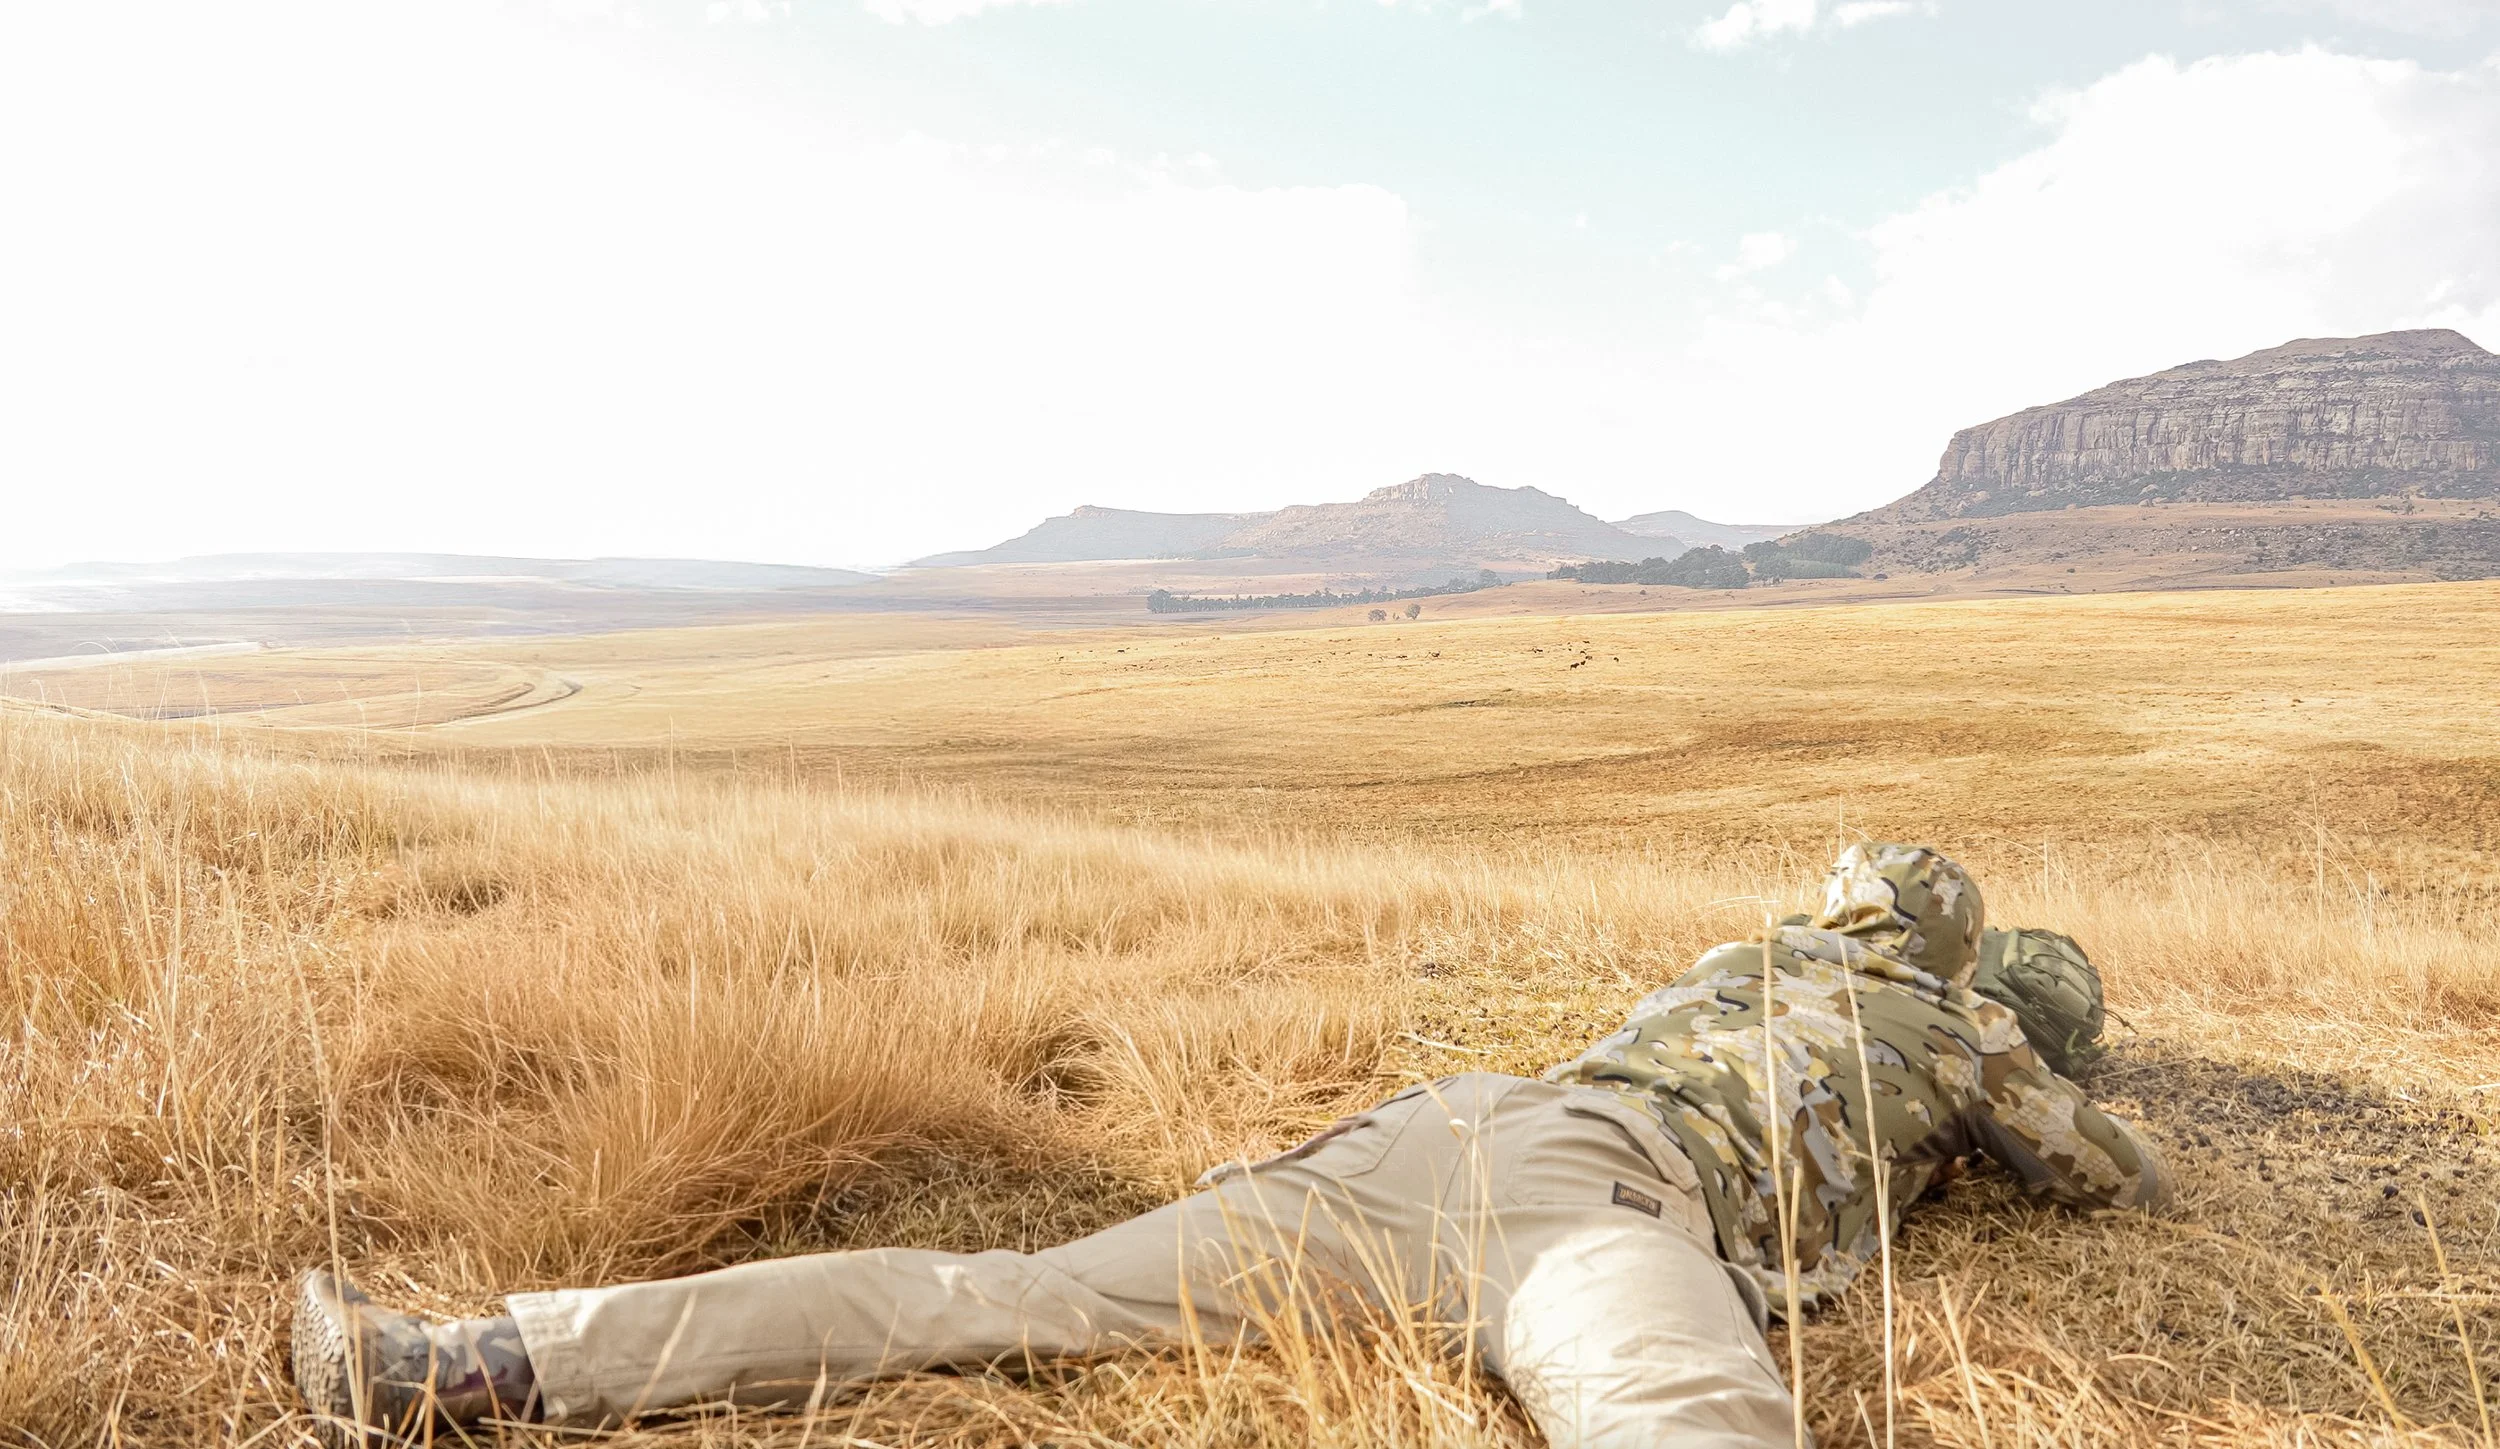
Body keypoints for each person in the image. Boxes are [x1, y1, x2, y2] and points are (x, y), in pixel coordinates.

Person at [294, 843, 2165, 1448]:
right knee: (1685, 1425)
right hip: (1599, 1198)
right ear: (1966, 968)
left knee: (1000, 1296)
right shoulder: (1962, 1022)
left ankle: (469, 1362)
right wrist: (2030, 1076)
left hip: (1428, 1140)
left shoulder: (1736, 954)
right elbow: (2106, 1180)